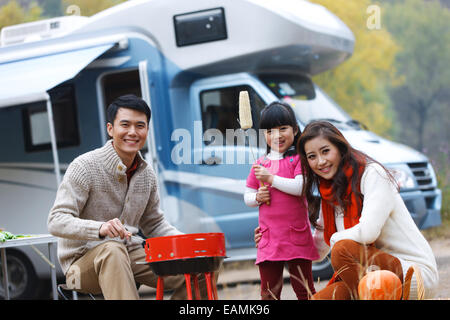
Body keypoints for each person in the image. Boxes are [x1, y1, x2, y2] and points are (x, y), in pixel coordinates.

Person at [47, 94, 207, 299]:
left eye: (140, 126)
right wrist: (100, 228)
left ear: (147, 130)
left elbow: (154, 224)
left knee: (200, 266)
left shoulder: (147, 173)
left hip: (128, 254)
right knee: (111, 250)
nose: (133, 132)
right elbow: (56, 221)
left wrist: (188, 243)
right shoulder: (84, 166)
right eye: (125, 124)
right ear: (110, 129)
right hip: (80, 265)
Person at [293, 120, 438, 299]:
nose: (321, 161)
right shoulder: (329, 192)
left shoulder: (373, 174)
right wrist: (281, 238)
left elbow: (367, 232)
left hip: (413, 274)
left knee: (341, 249)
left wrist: (334, 240)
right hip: (371, 275)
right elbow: (318, 250)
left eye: (325, 151)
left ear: (340, 148)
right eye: (312, 156)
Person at [244, 102, 319, 300]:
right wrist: (257, 197)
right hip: (269, 239)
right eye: (270, 131)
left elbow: (300, 187)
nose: (277, 135)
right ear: (264, 135)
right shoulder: (260, 164)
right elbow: (247, 196)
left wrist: (271, 179)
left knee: (304, 289)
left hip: (296, 237)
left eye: (283, 128)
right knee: (269, 292)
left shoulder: (298, 160)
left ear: (295, 130)